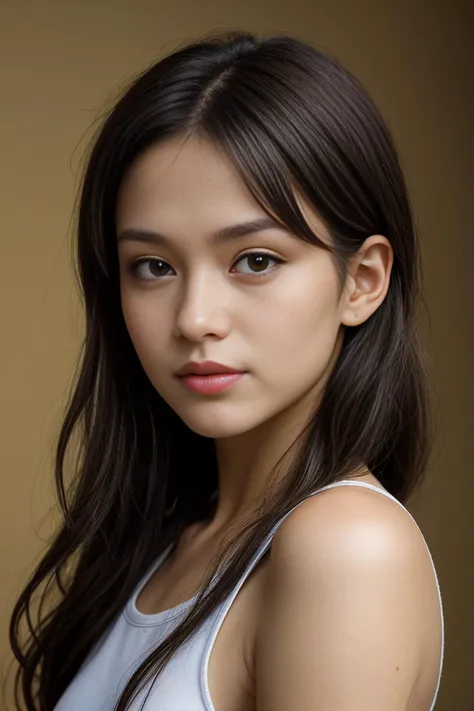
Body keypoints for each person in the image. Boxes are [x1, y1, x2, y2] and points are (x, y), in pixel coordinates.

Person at [9, 29, 444, 711]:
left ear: (362, 280)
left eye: (255, 259)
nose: (194, 317)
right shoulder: (170, 539)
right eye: (154, 266)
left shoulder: (346, 549)